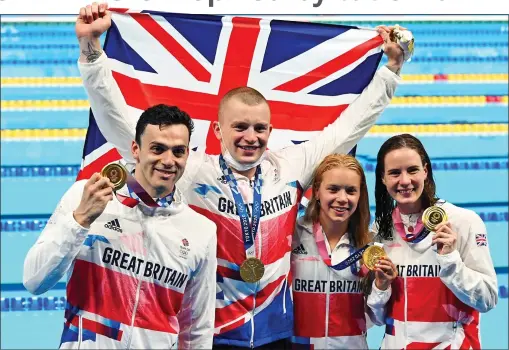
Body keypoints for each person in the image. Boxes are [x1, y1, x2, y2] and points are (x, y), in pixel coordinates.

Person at [75, 3, 410, 348]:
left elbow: (350, 127)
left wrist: (391, 71)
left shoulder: (290, 168)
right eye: (240, 127)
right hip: (213, 334)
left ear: (270, 130)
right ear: (218, 131)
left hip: (277, 333)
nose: (251, 137)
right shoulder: (192, 171)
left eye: (259, 128)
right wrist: (91, 52)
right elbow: (121, 126)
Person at [23, 104, 218, 349]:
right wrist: (80, 220)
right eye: (158, 149)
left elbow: (197, 329)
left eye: (178, 152)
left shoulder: (201, 230)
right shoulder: (85, 196)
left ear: (187, 155)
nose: (168, 161)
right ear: (136, 149)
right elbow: (34, 281)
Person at [371, 133, 498, 349]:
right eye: (394, 173)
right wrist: (380, 287)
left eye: (412, 170)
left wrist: (450, 260)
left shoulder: (463, 221)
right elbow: (377, 318)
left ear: (425, 171)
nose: (405, 181)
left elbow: (487, 298)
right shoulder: (380, 230)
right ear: (383, 178)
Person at [290, 154, 398, 349]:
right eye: (333, 189)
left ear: (360, 195)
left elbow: (378, 318)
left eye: (350, 191)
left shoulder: (370, 245)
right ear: (316, 191)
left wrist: (381, 286)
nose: (342, 198)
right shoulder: (292, 237)